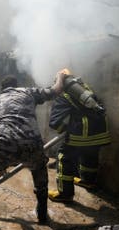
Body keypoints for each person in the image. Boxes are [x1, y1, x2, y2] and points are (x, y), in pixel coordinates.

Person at [0, 70, 67, 230]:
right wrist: (61, 76)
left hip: (4, 144)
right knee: (39, 168)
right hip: (33, 144)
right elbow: (55, 91)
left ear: (1, 89)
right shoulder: (27, 92)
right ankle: (43, 213)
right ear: (16, 86)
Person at [47, 71, 111, 203]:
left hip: (82, 134)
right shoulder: (85, 88)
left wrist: (66, 130)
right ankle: (88, 181)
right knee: (90, 153)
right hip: (100, 130)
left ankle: (65, 194)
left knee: (64, 157)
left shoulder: (63, 95)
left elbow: (55, 122)